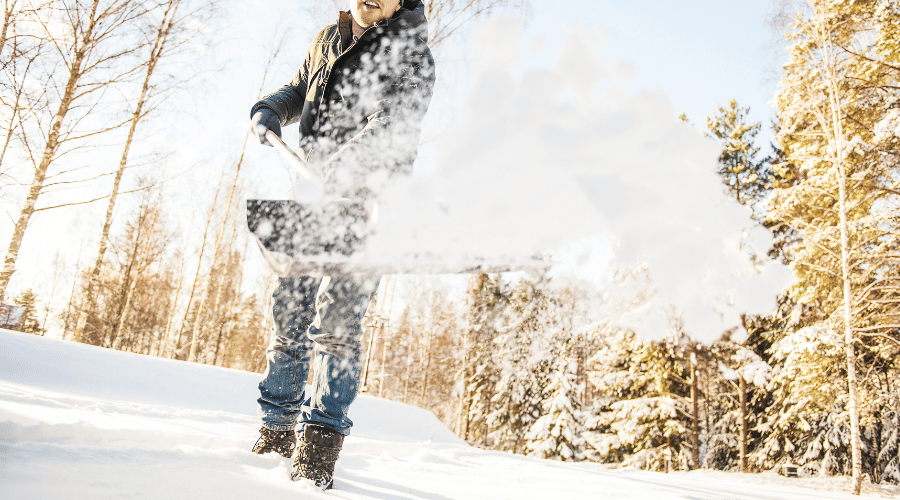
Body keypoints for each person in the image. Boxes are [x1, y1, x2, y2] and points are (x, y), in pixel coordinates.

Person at [247, 0, 435, 490]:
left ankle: (318, 448)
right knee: (288, 312)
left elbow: (392, 125)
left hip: (367, 206)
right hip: (312, 198)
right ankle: (276, 428)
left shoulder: (410, 52)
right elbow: (300, 86)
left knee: (336, 326)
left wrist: (340, 168)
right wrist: (272, 108)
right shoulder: (327, 39)